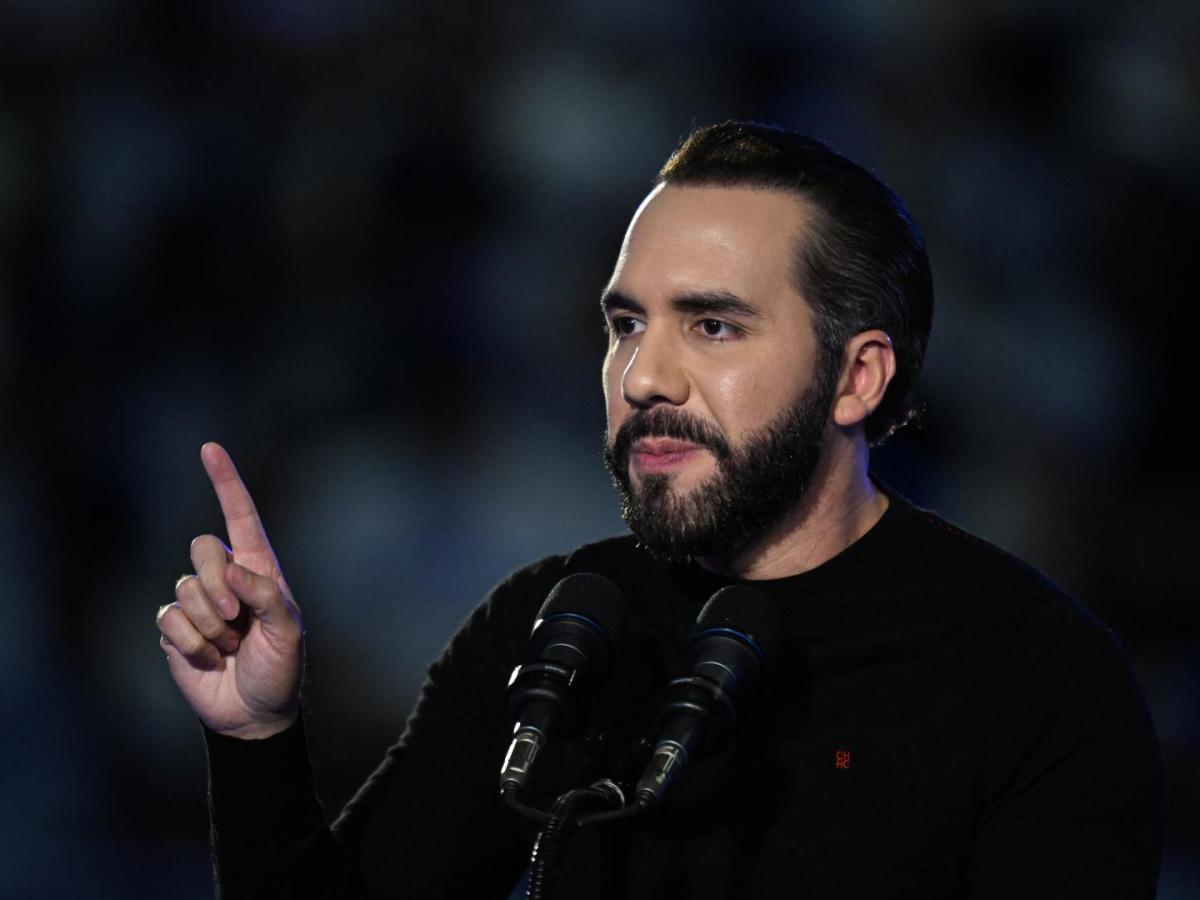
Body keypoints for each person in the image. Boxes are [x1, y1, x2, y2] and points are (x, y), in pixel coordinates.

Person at [156, 122, 1165, 898]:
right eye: (626, 324)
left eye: (713, 325)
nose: (643, 376)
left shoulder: (1032, 676)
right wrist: (257, 738)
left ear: (857, 377)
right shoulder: (558, 625)